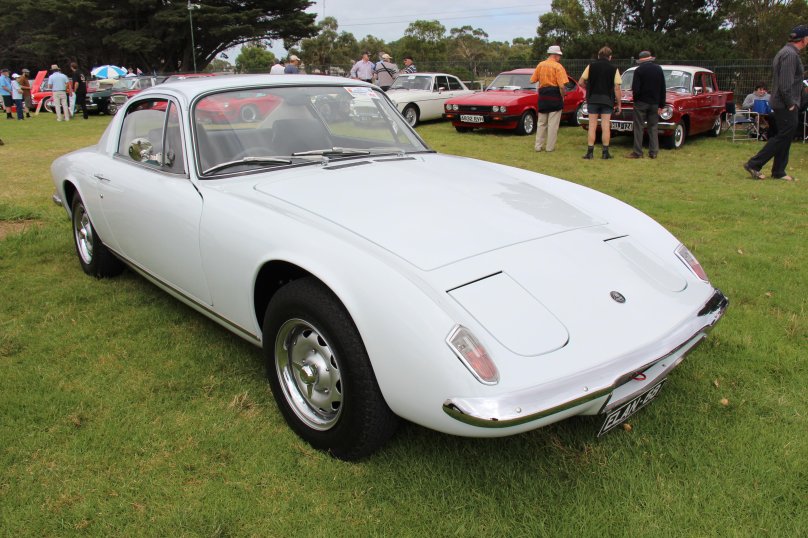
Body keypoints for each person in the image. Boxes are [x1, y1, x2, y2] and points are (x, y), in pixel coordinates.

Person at [744, 25, 808, 181]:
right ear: (804, 39)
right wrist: (790, 103)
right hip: (785, 103)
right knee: (784, 135)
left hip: (784, 102)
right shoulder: (790, 55)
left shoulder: (786, 52)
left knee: (786, 135)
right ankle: (754, 164)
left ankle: (779, 171)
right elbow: (785, 84)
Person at [580, 46, 622, 159]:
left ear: (598, 56)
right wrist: (619, 104)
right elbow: (617, 88)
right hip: (607, 100)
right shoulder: (614, 69)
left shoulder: (591, 66)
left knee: (592, 125)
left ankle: (590, 152)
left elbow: (581, 82)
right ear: (610, 57)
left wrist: (589, 88)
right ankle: (605, 152)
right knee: (605, 126)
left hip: (593, 99)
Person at [626, 50, 666, 159]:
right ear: (650, 59)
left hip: (641, 103)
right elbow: (662, 88)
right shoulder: (658, 69)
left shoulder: (639, 70)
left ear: (640, 61)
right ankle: (653, 152)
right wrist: (661, 105)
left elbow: (636, 89)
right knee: (653, 127)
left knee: (638, 127)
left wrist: (636, 100)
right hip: (654, 103)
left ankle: (637, 152)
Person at [530, 45, 568, 152]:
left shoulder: (540, 65)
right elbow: (562, 86)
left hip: (543, 95)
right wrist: (563, 95)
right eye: (559, 55)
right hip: (555, 95)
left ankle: (538, 146)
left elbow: (532, 80)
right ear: (555, 55)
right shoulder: (558, 67)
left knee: (541, 123)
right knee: (553, 125)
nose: (560, 57)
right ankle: (549, 147)